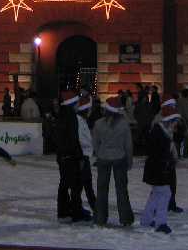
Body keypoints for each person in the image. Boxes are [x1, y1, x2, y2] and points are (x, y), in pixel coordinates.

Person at [92, 96, 134, 227]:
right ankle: (125, 218)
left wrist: (99, 153)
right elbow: (128, 145)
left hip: (103, 158)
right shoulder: (124, 124)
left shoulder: (98, 124)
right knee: (121, 190)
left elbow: (95, 143)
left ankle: (100, 218)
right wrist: (129, 159)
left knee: (101, 189)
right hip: (119, 158)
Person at [141, 102, 181, 234]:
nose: (176, 125)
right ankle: (161, 223)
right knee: (165, 194)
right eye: (175, 122)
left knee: (156, 194)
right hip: (158, 170)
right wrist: (166, 164)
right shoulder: (160, 132)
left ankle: (146, 220)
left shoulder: (161, 130)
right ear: (169, 121)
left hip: (156, 170)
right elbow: (157, 153)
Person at [55, 90, 89, 223]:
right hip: (71, 156)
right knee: (76, 185)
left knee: (64, 184)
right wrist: (79, 156)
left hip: (62, 155)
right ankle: (76, 212)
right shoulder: (71, 116)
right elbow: (74, 139)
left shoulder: (60, 115)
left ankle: (63, 212)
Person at [75, 94, 96, 217]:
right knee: (85, 185)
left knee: (83, 185)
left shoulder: (82, 120)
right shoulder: (78, 121)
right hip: (82, 157)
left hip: (84, 156)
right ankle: (95, 208)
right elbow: (80, 140)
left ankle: (78, 208)